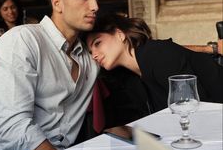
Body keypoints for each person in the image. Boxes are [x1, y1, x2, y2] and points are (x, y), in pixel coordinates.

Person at [0, 0, 103, 150]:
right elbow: (14, 132)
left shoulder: (89, 59)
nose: (95, 6)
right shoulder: (23, 41)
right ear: (57, 2)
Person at [86, 13, 223, 116]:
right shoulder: (129, 78)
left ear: (120, 34)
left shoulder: (158, 53)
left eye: (98, 43)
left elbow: (195, 111)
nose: (94, 55)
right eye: (90, 51)